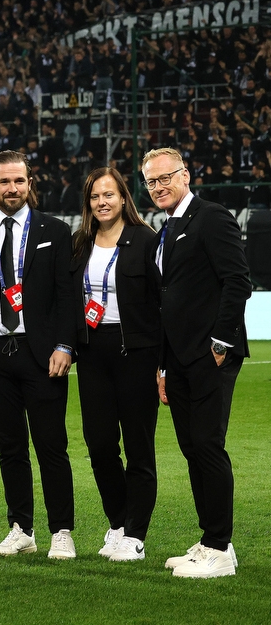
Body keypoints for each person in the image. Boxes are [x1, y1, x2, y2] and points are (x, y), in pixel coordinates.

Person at [0, 150, 76, 559]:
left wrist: (65, 345)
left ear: (31, 184)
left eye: (20, 181)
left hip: (41, 354)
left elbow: (68, 296)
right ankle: (21, 528)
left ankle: (61, 531)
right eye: (5, 182)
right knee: (9, 447)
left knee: (51, 445)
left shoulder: (55, 231)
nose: (13, 189)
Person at [142, 148, 250, 578]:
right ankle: (210, 539)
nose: (158, 186)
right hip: (181, 360)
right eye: (151, 181)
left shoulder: (212, 216)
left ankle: (220, 549)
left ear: (186, 175)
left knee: (207, 445)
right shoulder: (165, 229)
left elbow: (237, 279)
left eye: (166, 177)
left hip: (210, 356)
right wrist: (165, 366)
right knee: (193, 450)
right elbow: (169, 304)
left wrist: (220, 343)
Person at [69, 167, 160, 562]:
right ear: (88, 203)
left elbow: (163, 303)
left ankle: (136, 535)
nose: (102, 202)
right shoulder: (79, 243)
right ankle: (119, 523)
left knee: (139, 447)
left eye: (109, 194)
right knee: (100, 444)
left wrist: (163, 363)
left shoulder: (146, 240)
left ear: (124, 197)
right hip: (92, 352)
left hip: (136, 351)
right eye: (94, 197)